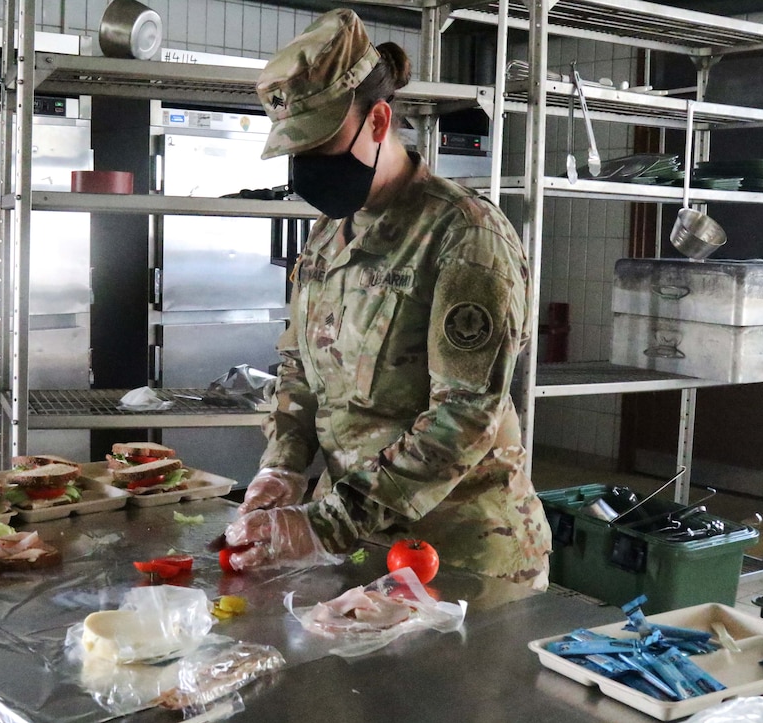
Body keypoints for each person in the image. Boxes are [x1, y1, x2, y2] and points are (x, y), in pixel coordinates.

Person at [222, 8, 552, 590]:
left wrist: (329, 523)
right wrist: (283, 467)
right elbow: (301, 368)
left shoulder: (465, 235)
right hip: (353, 544)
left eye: (324, 144)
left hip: (456, 552)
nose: (312, 168)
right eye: (299, 151)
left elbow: (468, 412)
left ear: (378, 119)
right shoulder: (330, 232)